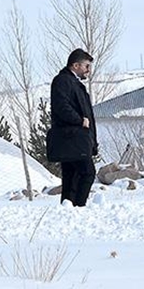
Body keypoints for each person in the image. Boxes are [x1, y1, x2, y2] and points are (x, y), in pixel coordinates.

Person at [46, 48, 99, 207]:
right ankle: (78, 207)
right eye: (86, 66)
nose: (88, 71)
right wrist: (79, 120)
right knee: (87, 173)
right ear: (75, 65)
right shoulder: (63, 81)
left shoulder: (73, 82)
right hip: (72, 137)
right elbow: (61, 106)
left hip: (75, 138)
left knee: (71, 176)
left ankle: (68, 208)